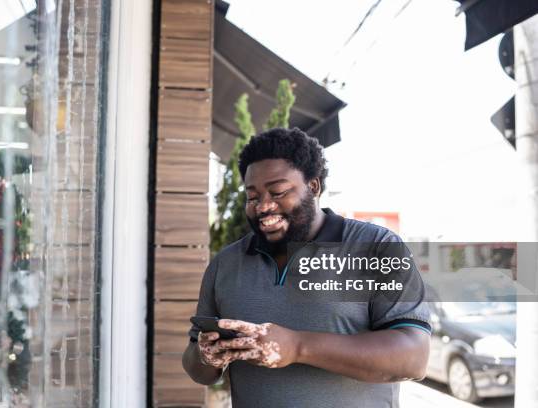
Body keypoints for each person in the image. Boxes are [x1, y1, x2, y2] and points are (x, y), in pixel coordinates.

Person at [182, 127, 431, 408]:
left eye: (278, 192)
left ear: (313, 187)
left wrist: (297, 346)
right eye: (252, 197)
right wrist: (206, 358)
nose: (263, 206)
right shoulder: (226, 264)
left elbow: (414, 357)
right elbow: (197, 368)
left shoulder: (376, 246)